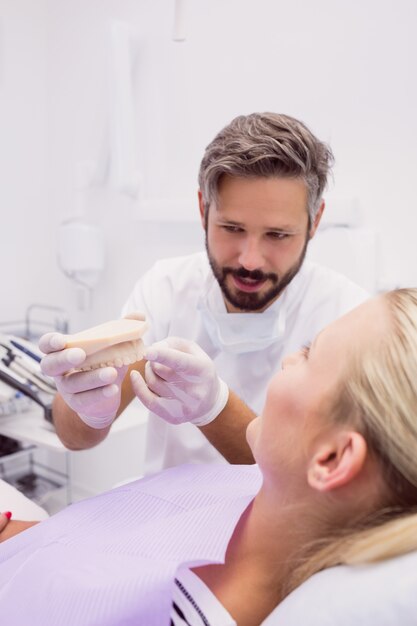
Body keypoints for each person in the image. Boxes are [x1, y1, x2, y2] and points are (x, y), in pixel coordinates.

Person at [1, 288, 417, 626]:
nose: (291, 357)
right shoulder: (262, 493)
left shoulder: (176, 610)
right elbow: (71, 555)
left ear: (331, 460)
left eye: (309, 354)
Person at [39, 112, 369, 473]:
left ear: (315, 221)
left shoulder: (349, 319)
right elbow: (74, 437)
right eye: (232, 228)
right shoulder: (166, 288)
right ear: (202, 209)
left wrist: (215, 408)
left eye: (277, 235)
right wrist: (86, 410)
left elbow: (313, 483)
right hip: (171, 515)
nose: (250, 260)